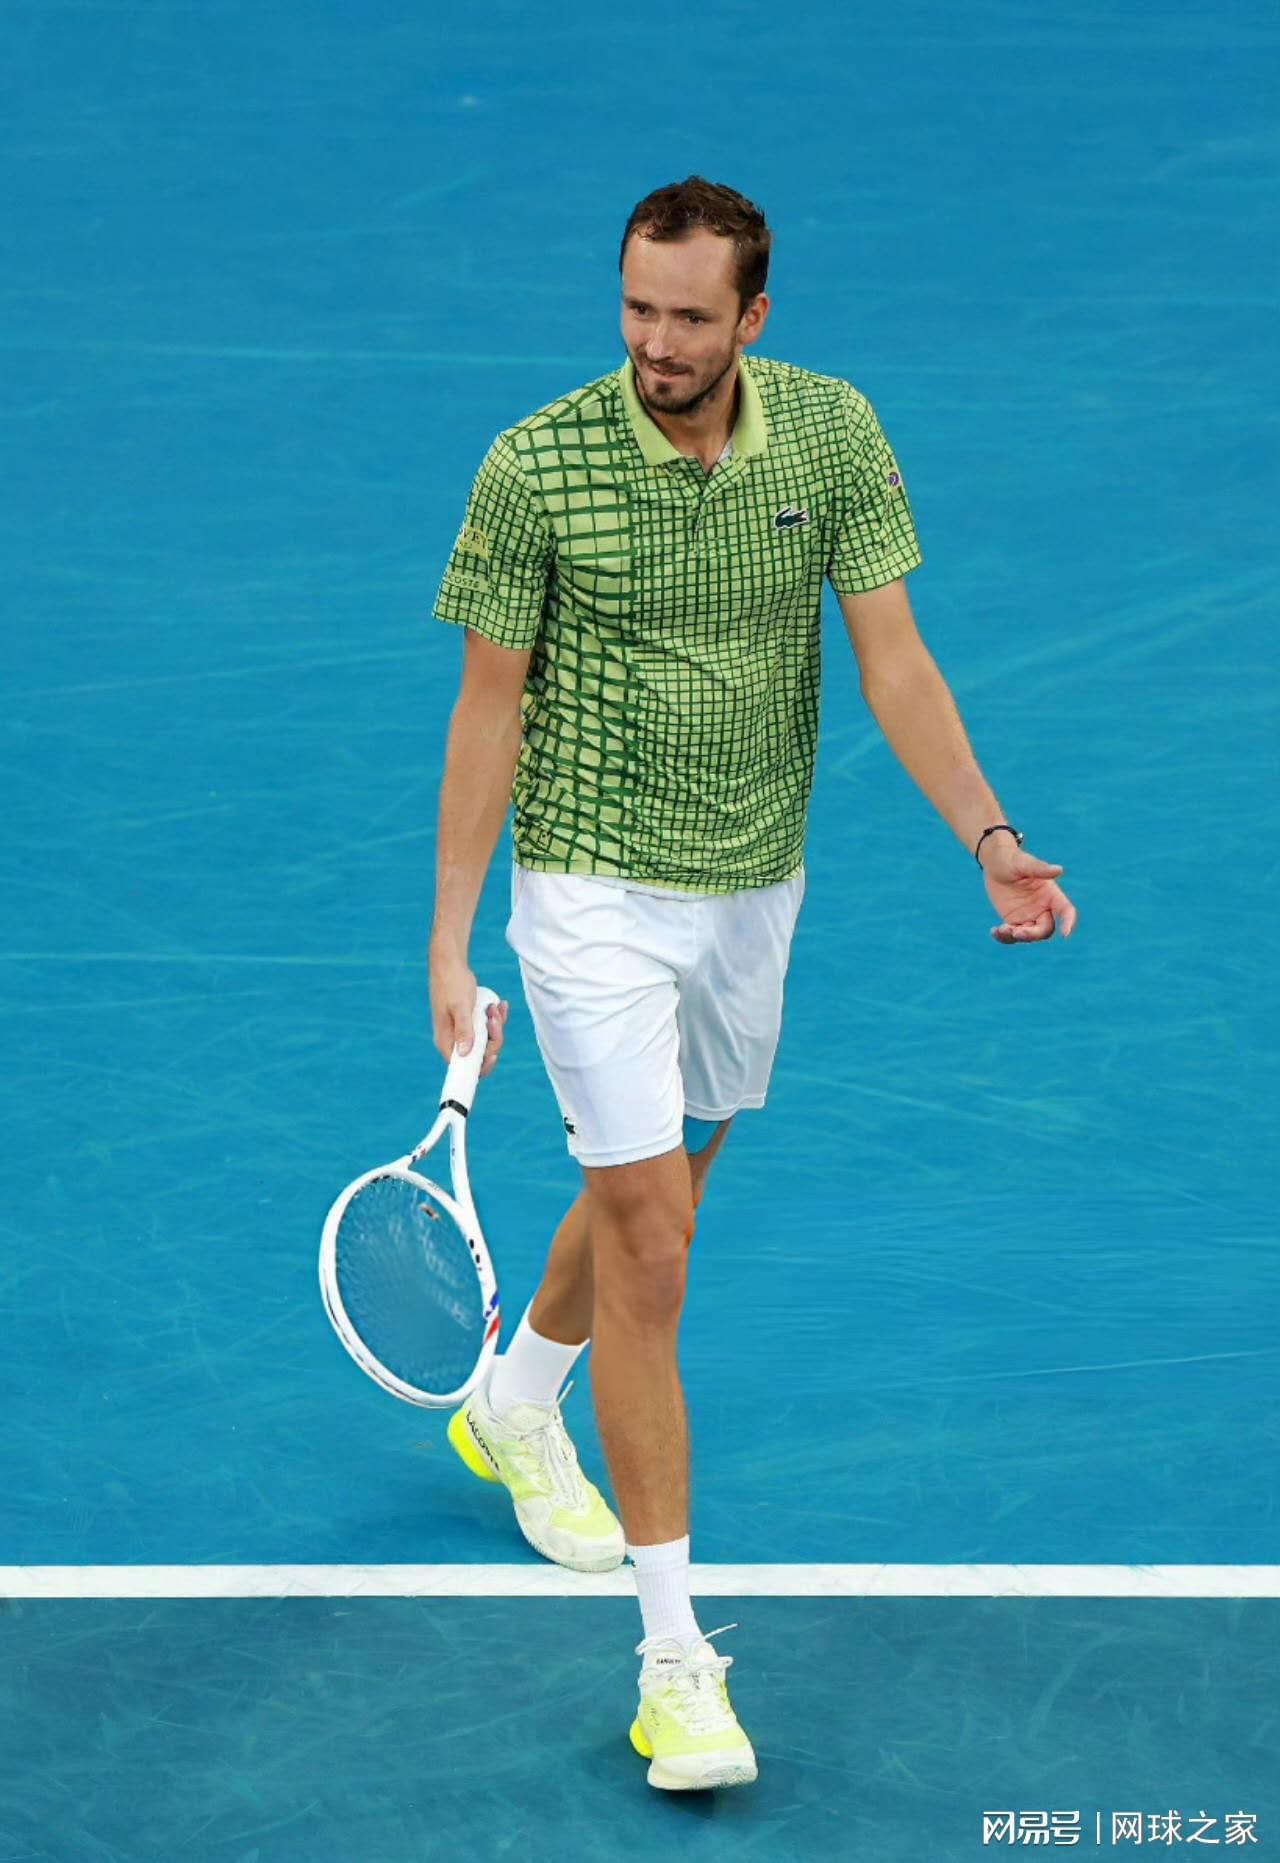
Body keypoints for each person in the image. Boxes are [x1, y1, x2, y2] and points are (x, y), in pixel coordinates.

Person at [427, 175, 1077, 1792]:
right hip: (587, 885)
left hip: (751, 887)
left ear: (753, 317)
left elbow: (893, 658)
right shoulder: (536, 465)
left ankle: (517, 1400)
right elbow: (488, 705)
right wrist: (450, 938)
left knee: (667, 1191)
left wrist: (988, 836)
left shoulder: (834, 436)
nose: (656, 343)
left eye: (690, 317)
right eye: (636, 309)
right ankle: (675, 1664)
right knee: (654, 1248)